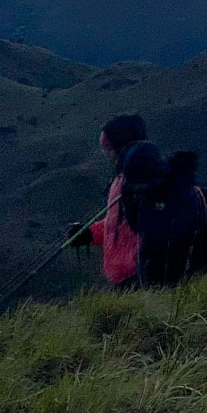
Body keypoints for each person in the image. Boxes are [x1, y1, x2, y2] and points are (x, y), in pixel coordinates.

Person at [85, 112, 146, 287]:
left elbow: (125, 227)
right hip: (131, 272)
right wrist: (89, 234)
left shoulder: (131, 180)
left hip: (134, 273)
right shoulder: (129, 178)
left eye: (108, 148)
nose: (107, 154)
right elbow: (117, 225)